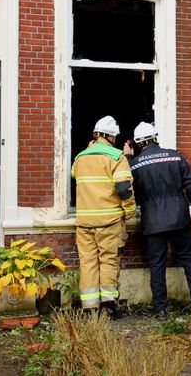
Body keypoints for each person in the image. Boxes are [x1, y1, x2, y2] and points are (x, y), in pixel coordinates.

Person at [126, 122, 191, 319]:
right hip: (179, 217)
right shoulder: (175, 156)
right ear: (156, 138)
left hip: (153, 221)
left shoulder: (135, 165)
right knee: (189, 259)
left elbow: (126, 186)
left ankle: (161, 309)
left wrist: (127, 157)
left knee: (157, 264)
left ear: (138, 143)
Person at [71, 116, 136, 319]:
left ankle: (90, 309)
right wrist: (130, 210)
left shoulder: (80, 157)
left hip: (84, 223)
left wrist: (89, 150)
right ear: (112, 137)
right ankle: (108, 308)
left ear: (95, 136)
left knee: (88, 263)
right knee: (108, 261)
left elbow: (75, 174)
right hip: (109, 221)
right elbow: (124, 189)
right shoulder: (117, 157)